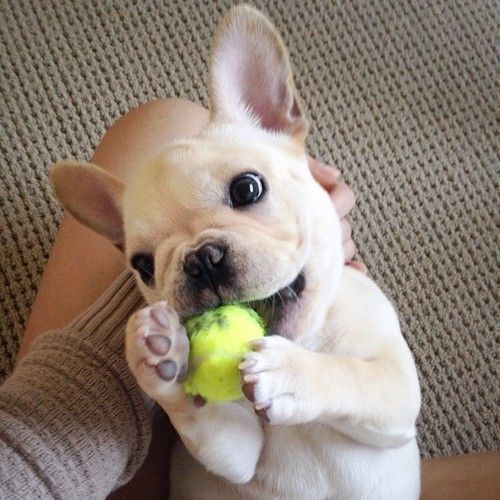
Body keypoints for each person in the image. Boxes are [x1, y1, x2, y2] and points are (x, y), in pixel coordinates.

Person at [1, 99, 497, 499]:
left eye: (246, 190)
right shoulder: (204, 351)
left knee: (164, 118)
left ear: (283, 125)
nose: (204, 263)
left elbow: (395, 412)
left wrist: (314, 381)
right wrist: (183, 400)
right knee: (162, 122)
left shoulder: (355, 305)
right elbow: (238, 462)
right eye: (147, 263)